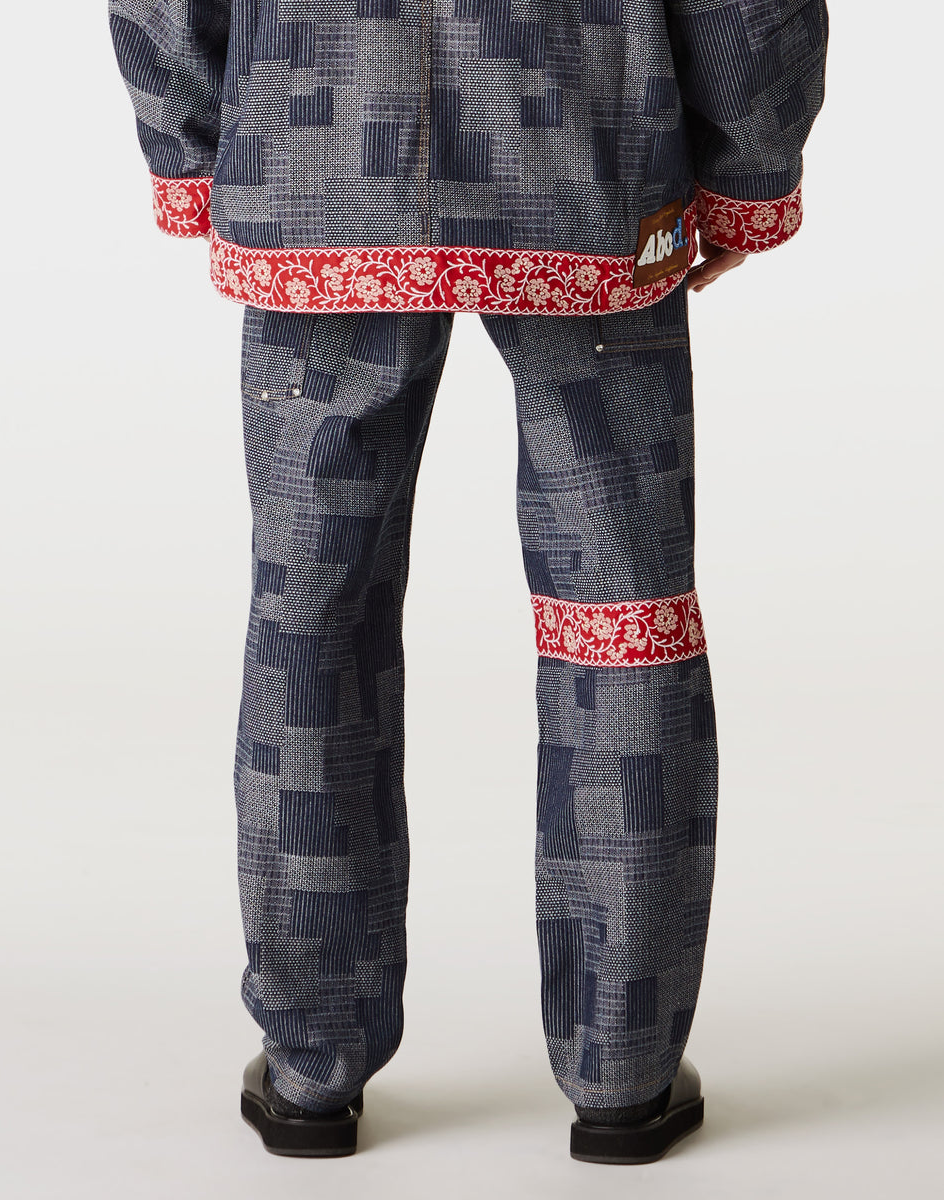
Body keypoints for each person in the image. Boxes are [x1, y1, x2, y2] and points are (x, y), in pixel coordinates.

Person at [108, 0, 828, 1164]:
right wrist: (750, 161)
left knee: (312, 614)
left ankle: (311, 1069)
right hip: (588, 160)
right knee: (622, 612)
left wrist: (194, 142)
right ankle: (623, 1069)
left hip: (315, 160)